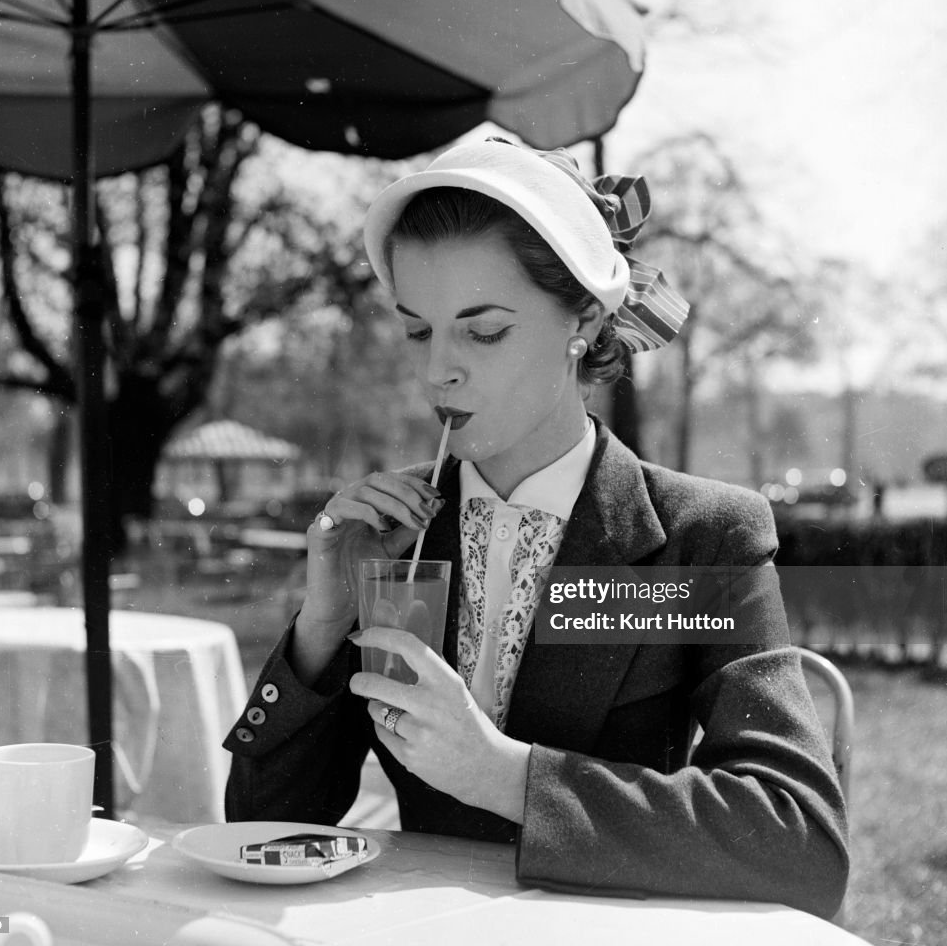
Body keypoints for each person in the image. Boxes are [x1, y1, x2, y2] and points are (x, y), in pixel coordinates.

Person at [223, 138, 849, 918]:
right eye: (419, 330)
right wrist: (322, 628)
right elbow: (259, 831)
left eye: (482, 332)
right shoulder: (398, 537)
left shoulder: (703, 535)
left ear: (581, 321)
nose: (436, 372)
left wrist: (508, 776)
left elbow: (797, 843)